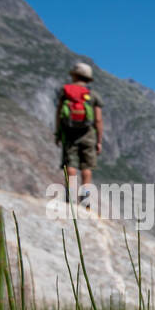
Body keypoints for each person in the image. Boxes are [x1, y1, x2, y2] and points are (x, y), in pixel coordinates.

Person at [54, 62, 104, 209]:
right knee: (87, 169)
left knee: (70, 166)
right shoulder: (93, 95)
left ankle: (69, 199)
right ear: (88, 78)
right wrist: (99, 140)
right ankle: (85, 203)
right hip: (88, 135)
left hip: (69, 133)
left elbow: (58, 113)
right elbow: (98, 119)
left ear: (74, 75)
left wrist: (58, 132)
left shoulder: (65, 92)